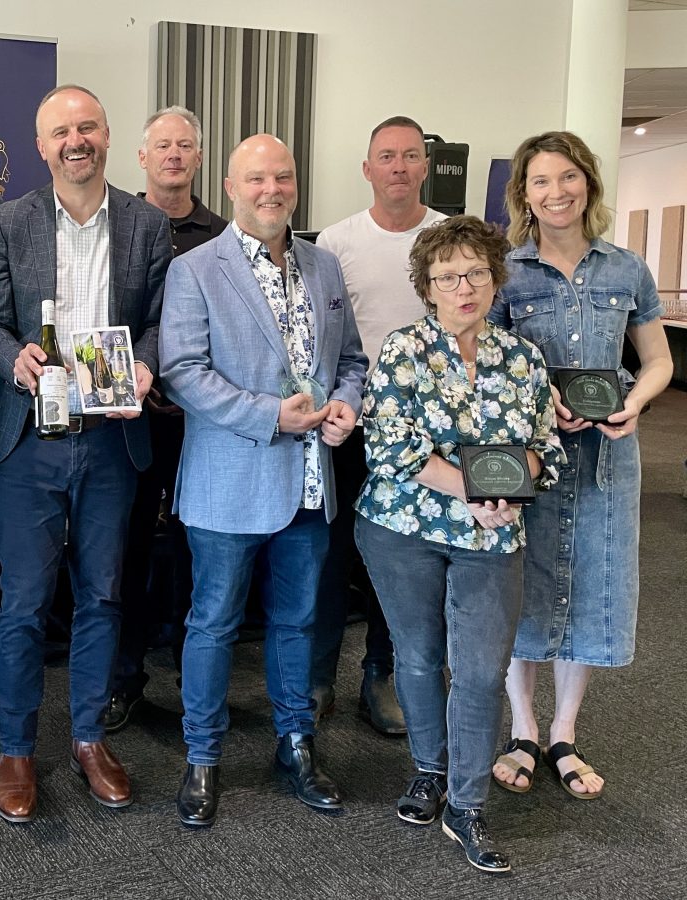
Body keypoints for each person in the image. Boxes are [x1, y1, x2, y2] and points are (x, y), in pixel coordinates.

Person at [0, 84, 171, 822]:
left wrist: (148, 362)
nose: (75, 140)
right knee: (23, 604)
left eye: (87, 126)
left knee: (104, 596)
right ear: (41, 145)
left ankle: (89, 738)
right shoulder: (8, 221)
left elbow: (157, 321)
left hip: (114, 440)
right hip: (31, 443)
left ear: (108, 135)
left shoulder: (147, 224)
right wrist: (11, 360)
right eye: (61, 130)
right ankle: (18, 749)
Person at [160, 134, 367, 827]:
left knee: (298, 623)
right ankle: (202, 758)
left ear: (296, 183)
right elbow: (182, 371)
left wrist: (346, 406)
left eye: (282, 176)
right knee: (213, 624)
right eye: (255, 179)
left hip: (312, 484)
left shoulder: (325, 266)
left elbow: (354, 361)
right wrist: (268, 416)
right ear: (229, 187)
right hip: (229, 483)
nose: (270, 189)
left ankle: (297, 745)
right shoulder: (195, 269)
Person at [355, 215, 563, 873]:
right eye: (448, 276)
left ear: (495, 279)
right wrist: (468, 490)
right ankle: (428, 770)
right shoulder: (403, 349)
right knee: (417, 656)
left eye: (476, 272)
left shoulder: (523, 358)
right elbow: (388, 444)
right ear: (428, 286)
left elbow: (545, 448)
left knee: (477, 670)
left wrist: (513, 485)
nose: (464, 286)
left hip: (494, 533)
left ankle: (466, 805)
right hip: (402, 527)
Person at [489, 132, 672, 802]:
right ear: (524, 194)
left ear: (588, 184)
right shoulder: (506, 272)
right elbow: (491, 371)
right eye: (541, 181)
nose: (556, 192)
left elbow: (656, 359)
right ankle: (523, 728)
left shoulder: (626, 269)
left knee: (591, 587)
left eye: (568, 178)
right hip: (533, 460)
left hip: (606, 459)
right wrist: (540, 402)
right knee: (524, 589)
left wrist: (637, 402)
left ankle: (564, 731)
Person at [313, 115, 445, 735]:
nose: (398, 167)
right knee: (331, 557)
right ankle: (317, 679)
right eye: (386, 157)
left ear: (426, 166)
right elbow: (323, 340)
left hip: (426, 436)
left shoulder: (450, 240)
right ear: (367, 168)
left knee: (402, 563)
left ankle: (380, 675)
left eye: (410, 156)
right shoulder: (335, 243)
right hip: (349, 424)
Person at [108, 105, 227, 732]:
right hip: (132, 421)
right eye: (162, 145)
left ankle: (194, 678)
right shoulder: (119, 225)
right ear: (142, 157)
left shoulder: (226, 236)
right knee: (123, 554)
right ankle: (123, 679)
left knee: (195, 555)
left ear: (199, 157)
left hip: (205, 429)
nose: (174, 155)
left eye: (185, 145)